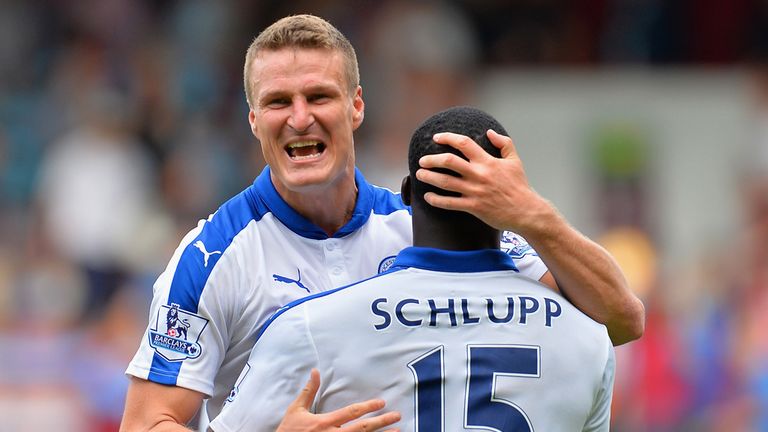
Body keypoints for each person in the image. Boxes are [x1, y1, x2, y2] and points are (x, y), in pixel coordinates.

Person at [120, 14, 642, 431]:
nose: (300, 118)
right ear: (253, 119)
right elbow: (146, 424)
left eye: (319, 96)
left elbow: (620, 318)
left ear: (356, 107)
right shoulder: (212, 257)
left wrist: (531, 214)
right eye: (279, 102)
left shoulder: (422, 225)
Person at [210, 106, 616, 432]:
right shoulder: (588, 336)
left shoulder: (310, 327)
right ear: (515, 194)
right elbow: (627, 318)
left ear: (407, 194)